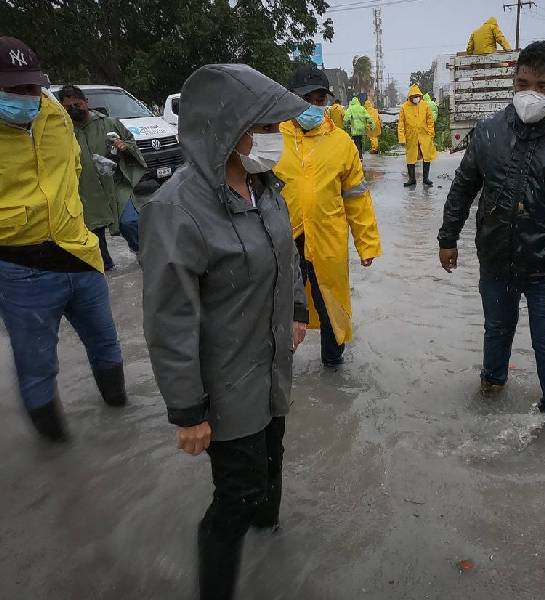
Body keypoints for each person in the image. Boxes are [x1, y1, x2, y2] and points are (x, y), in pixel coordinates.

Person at [139, 64, 309, 600]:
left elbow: (288, 254)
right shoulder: (177, 208)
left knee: (273, 460)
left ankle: (270, 548)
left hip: (273, 363)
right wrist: (187, 412)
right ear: (221, 126)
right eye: (256, 125)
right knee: (235, 494)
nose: (265, 137)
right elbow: (169, 318)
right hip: (226, 384)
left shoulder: (264, 185)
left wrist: (299, 309)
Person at [437, 40, 545, 417]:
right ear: (513, 82)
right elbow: (463, 187)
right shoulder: (488, 131)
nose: (531, 94)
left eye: (543, 86)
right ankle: (490, 391)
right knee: (496, 332)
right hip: (496, 262)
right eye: (522, 83)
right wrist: (447, 239)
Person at [0, 37, 127, 443]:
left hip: (78, 250)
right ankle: (58, 453)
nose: (27, 97)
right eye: (14, 90)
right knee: (36, 363)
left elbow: (73, 168)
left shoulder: (55, 116)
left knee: (107, 342)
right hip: (21, 266)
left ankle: (120, 417)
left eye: (32, 87)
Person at [275, 66, 381, 367]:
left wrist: (367, 244)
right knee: (280, 303)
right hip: (285, 236)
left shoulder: (342, 144)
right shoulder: (273, 138)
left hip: (327, 237)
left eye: (319, 98)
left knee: (330, 302)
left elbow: (357, 198)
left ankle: (333, 365)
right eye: (305, 98)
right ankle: (279, 367)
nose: (313, 105)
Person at [58, 84, 147, 270]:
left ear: (86, 102)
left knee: (130, 221)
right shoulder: (62, 132)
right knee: (94, 233)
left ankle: (145, 254)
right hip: (86, 190)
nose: (74, 109)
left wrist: (124, 146)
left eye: (78, 104)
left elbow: (131, 142)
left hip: (115, 185)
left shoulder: (109, 123)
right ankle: (105, 267)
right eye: (68, 107)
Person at [398, 84, 436, 187]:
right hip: (411, 136)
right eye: (414, 96)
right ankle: (412, 179)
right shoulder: (404, 107)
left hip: (424, 135)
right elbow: (401, 123)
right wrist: (402, 138)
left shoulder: (425, 105)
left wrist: (430, 133)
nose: (416, 98)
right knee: (411, 157)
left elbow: (430, 120)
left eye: (418, 96)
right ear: (410, 97)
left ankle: (425, 178)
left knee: (426, 156)